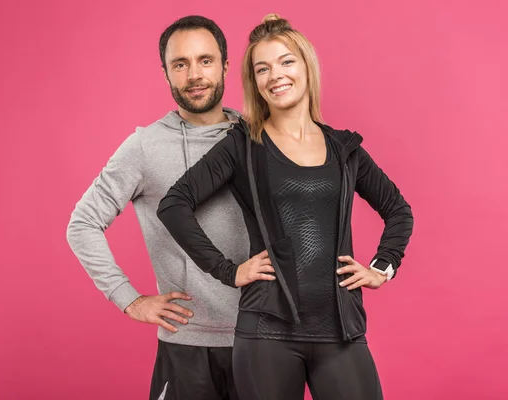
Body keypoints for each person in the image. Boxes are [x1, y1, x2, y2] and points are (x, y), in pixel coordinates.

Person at [157, 14, 414, 400]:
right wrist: (228, 271)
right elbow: (174, 204)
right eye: (263, 69)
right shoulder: (241, 145)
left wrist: (383, 266)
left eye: (286, 62)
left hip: (340, 330)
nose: (275, 75)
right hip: (265, 333)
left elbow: (398, 209)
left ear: (306, 66)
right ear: (255, 82)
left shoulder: (345, 150)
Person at [67, 15, 249, 400]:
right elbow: (83, 223)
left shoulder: (258, 138)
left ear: (226, 66)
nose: (194, 74)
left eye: (205, 60)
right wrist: (128, 299)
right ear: (166, 74)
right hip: (186, 347)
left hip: (263, 341)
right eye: (180, 64)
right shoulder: (145, 147)